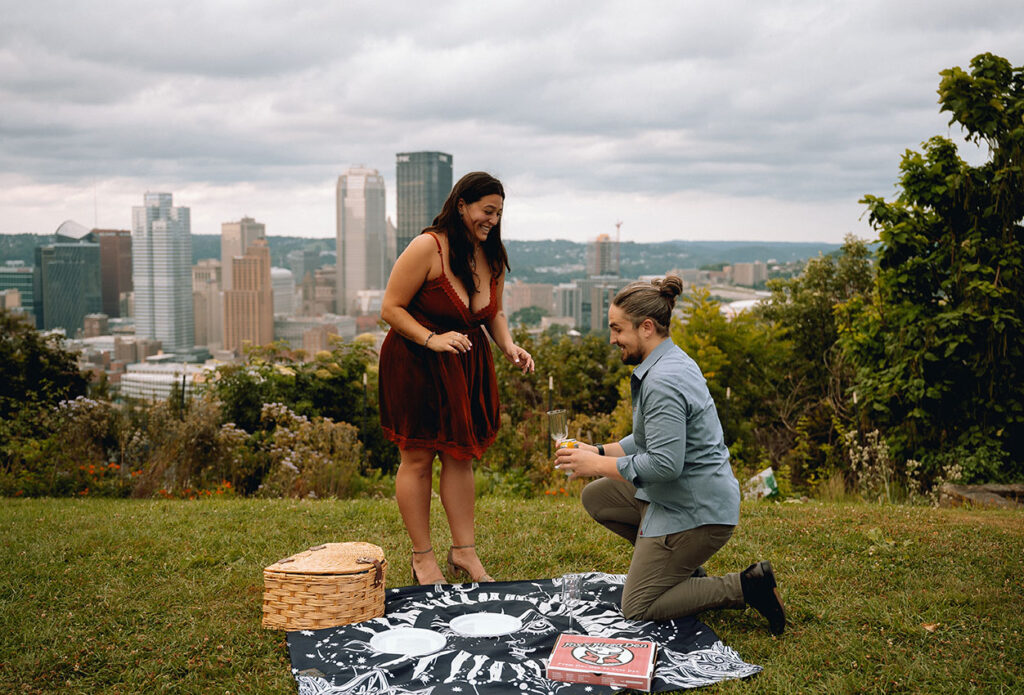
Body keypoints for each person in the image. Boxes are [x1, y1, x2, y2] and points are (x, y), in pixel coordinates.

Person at [554, 276, 785, 634]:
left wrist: (596, 465)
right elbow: (647, 439)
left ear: (646, 327)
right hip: (679, 495)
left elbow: (664, 464)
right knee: (598, 496)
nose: (612, 338)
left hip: (696, 510)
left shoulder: (663, 381)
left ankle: (746, 586)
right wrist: (597, 450)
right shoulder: (668, 361)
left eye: (617, 329)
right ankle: (683, 570)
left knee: (638, 606)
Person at [379, 171, 535, 586]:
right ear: (462, 205)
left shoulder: (492, 255)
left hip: (464, 365)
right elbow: (391, 308)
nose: (493, 219)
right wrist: (432, 339)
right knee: (417, 457)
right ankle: (423, 557)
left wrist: (509, 347)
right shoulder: (427, 247)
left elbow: (493, 312)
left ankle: (463, 551)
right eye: (487, 210)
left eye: (499, 213)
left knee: (460, 456)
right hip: (417, 360)